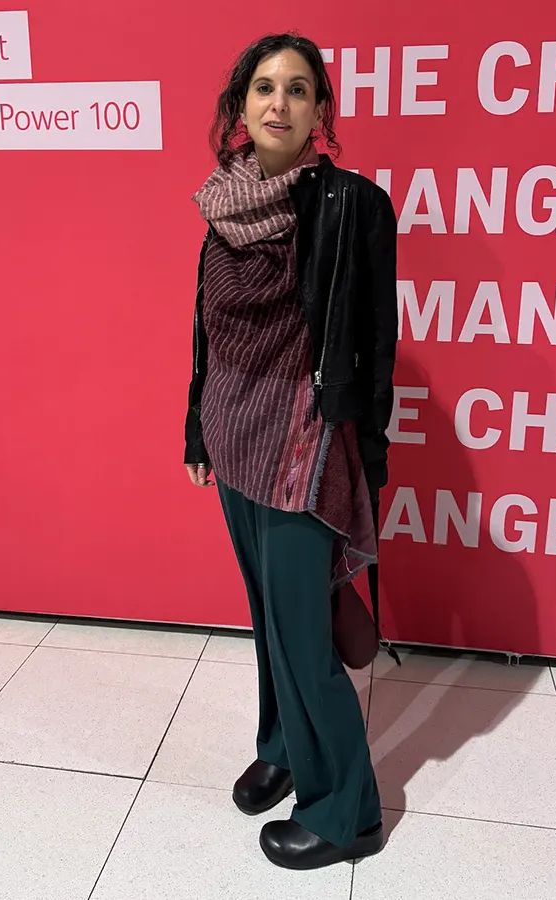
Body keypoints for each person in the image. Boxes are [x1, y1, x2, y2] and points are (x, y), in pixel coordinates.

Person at [182, 32, 399, 870]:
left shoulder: (353, 205)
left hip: (303, 444)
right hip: (234, 434)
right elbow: (207, 327)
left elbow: (375, 341)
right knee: (267, 615)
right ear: (241, 105)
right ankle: (282, 747)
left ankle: (347, 811)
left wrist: (369, 455)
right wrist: (196, 424)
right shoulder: (220, 203)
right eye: (265, 87)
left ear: (319, 111)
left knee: (305, 632)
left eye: (298, 89)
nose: (279, 102)